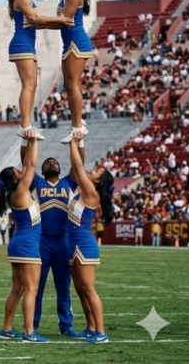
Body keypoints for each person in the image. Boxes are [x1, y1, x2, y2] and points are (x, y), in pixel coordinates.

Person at [0, 129, 47, 342]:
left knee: (18, 289)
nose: (20, 171)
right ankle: (29, 333)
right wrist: (33, 140)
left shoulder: (15, 193)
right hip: (27, 244)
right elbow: (31, 167)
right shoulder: (20, 192)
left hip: (19, 243)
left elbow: (26, 167)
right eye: (17, 171)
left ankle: (7, 329)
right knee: (31, 290)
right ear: (15, 179)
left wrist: (29, 140)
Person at [6, 0, 72, 140]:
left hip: (28, 44)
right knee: (28, 85)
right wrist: (59, 20)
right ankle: (24, 125)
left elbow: (39, 23)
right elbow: (35, 19)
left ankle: (27, 125)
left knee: (33, 85)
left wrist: (59, 23)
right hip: (22, 44)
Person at [66, 134, 113, 343]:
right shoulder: (85, 190)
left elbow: (77, 166)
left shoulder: (91, 193)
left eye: (97, 171)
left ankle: (101, 333)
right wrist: (75, 143)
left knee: (89, 289)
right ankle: (91, 327)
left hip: (84, 244)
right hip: (73, 243)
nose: (92, 170)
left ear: (99, 180)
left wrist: (74, 143)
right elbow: (77, 168)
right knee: (80, 290)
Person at [31, 158, 84, 338]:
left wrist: (76, 141)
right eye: (47, 163)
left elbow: (78, 164)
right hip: (42, 241)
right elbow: (27, 163)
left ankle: (66, 325)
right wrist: (29, 141)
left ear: (60, 168)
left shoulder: (68, 182)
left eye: (54, 162)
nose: (52, 163)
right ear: (42, 169)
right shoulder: (37, 182)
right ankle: (33, 325)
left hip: (63, 241)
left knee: (64, 288)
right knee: (36, 287)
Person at [54, 0, 95, 144]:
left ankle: (77, 126)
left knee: (72, 84)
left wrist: (38, 22)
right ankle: (76, 122)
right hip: (69, 43)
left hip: (77, 42)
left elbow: (64, 20)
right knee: (68, 86)